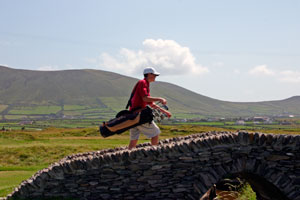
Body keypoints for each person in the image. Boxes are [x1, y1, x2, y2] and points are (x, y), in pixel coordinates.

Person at [128, 67, 172, 150]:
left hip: (132, 115)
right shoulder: (143, 83)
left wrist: (164, 111)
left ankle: (128, 157)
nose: (155, 76)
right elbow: (145, 99)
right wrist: (160, 98)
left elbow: (149, 102)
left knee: (134, 139)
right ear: (149, 74)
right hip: (140, 115)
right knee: (156, 133)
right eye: (154, 75)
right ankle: (154, 153)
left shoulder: (144, 83)